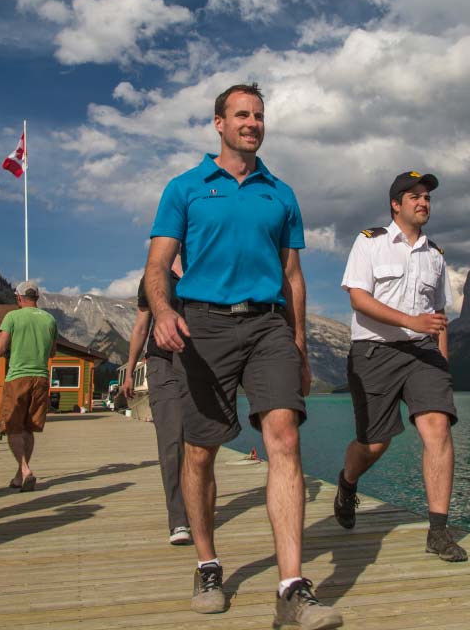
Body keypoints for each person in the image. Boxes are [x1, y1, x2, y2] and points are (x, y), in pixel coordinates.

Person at [144, 83, 343, 628]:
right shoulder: (185, 188)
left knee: (284, 436)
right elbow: (158, 265)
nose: (252, 122)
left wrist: (299, 344)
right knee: (201, 450)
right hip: (202, 325)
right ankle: (207, 563)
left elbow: (294, 277)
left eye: (258, 115)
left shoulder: (280, 193)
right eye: (241, 115)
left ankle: (292, 585)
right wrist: (163, 312)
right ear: (218, 124)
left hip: (268, 326)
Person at [335, 171, 467, 563]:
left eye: (427, 197)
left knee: (437, 427)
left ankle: (438, 531)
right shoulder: (369, 242)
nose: (423, 202)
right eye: (415, 196)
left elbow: (438, 313)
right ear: (396, 204)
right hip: (375, 353)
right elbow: (358, 299)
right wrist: (410, 321)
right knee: (375, 443)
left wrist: (441, 358)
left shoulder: (436, 255)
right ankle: (347, 482)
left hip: (424, 356)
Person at [123, 255, 191, 546]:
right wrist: (129, 370)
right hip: (163, 362)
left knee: (199, 441)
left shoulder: (205, 266)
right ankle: (178, 518)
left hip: (202, 366)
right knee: (171, 439)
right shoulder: (153, 277)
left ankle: (196, 504)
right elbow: (141, 327)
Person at [0, 280, 57, 492]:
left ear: (19, 298)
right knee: (28, 428)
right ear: (37, 297)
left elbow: (0, 350)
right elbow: (53, 352)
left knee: (12, 427)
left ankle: (25, 469)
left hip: (17, 377)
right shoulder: (49, 319)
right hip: (41, 378)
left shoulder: (12, 316)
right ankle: (20, 475)